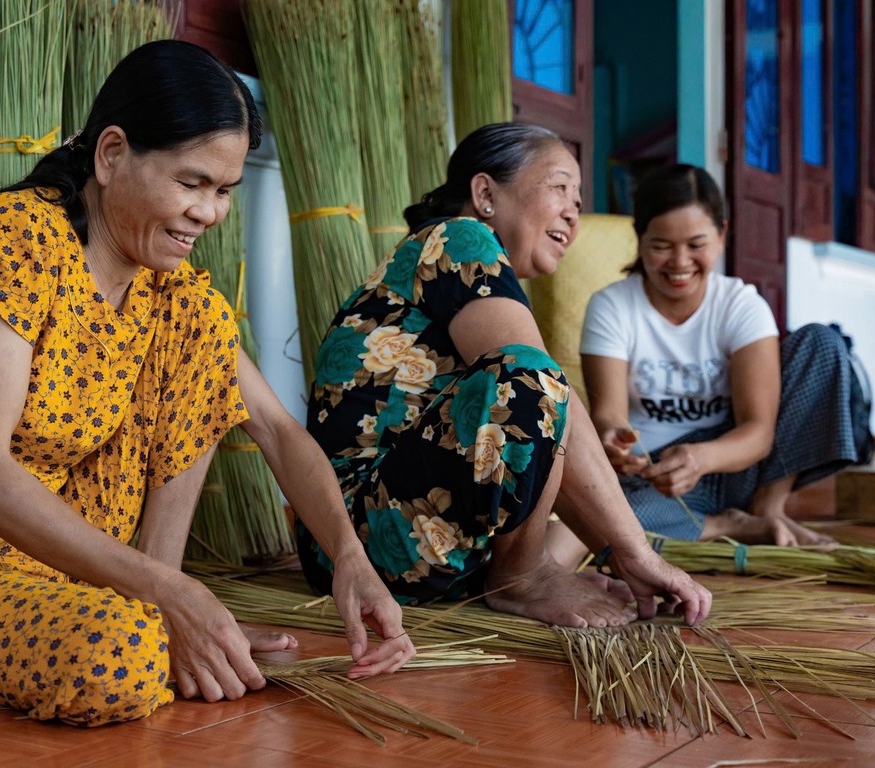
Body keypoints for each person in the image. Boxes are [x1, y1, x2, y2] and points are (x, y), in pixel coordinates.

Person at [0, 40, 414, 727]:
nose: (209, 212)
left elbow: (280, 433)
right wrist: (169, 594)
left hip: (65, 575)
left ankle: (150, 614)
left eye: (224, 191)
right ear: (111, 155)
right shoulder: (16, 238)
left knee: (203, 323)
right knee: (121, 656)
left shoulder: (169, 294)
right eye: (192, 183)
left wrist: (351, 558)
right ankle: (149, 619)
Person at [298, 123, 711, 629]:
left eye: (579, 201)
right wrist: (637, 552)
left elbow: (549, 430)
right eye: (560, 187)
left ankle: (526, 568)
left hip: (377, 541)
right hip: (359, 542)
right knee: (532, 380)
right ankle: (522, 574)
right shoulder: (460, 237)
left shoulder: (464, 267)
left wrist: (617, 554)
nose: (572, 213)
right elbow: (538, 394)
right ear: (485, 193)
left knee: (543, 388)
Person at [580, 163, 868, 546]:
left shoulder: (740, 306)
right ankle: (726, 526)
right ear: (640, 237)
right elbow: (608, 414)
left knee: (821, 342)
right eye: (662, 246)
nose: (680, 262)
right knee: (602, 517)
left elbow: (759, 431)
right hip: (658, 478)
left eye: (696, 245)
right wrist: (614, 439)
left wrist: (702, 458)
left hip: (739, 464)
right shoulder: (612, 306)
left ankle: (768, 509)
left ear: (721, 235)